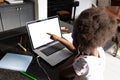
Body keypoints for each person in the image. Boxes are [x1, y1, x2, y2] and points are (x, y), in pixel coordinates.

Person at [47, 7, 117, 80]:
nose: (71, 36)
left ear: (80, 43)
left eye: (73, 36)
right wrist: (59, 39)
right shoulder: (98, 49)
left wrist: (74, 57)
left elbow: (62, 73)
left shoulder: (84, 63)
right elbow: (75, 49)